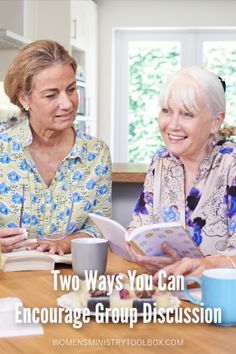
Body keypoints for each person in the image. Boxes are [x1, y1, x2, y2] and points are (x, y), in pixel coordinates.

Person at [0, 40, 111, 255]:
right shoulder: (2, 150)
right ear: (24, 98)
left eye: (71, 90)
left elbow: (99, 227)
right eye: (51, 95)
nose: (68, 104)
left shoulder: (96, 154)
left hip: (70, 277)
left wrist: (64, 244)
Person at [127, 66, 236, 277]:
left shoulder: (231, 165)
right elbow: (137, 229)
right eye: (166, 111)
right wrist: (142, 254)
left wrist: (202, 265)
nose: (172, 125)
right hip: (166, 288)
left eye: (187, 114)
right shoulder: (161, 161)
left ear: (216, 122)